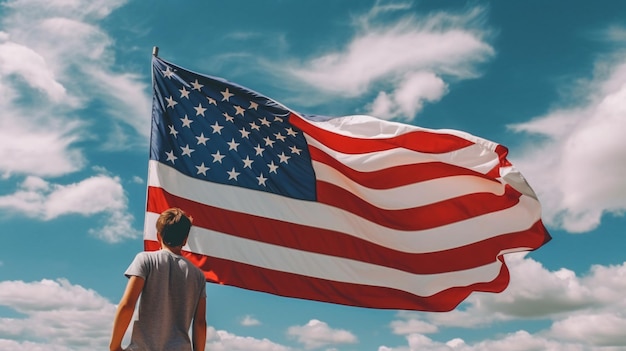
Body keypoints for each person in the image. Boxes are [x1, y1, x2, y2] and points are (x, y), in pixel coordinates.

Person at [109, 208, 207, 351]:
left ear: (158, 236)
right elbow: (200, 323)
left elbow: (127, 305)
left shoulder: (146, 259)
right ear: (185, 240)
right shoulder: (198, 276)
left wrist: (114, 346)